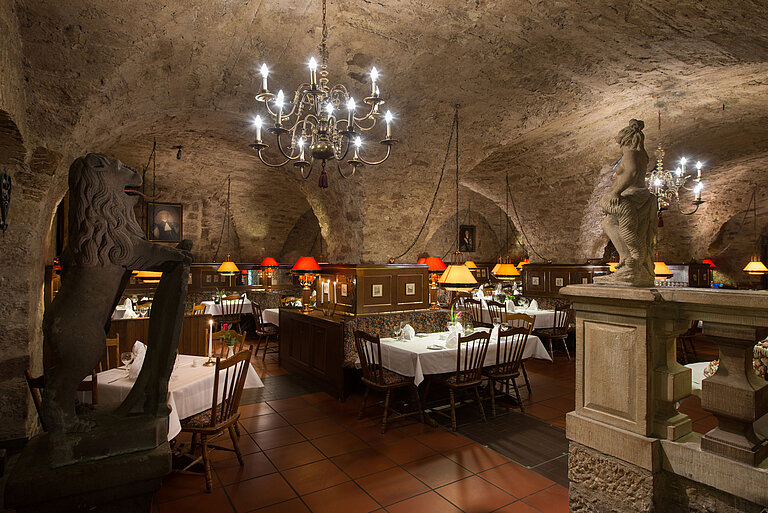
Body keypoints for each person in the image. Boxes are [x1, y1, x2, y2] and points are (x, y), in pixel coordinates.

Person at [594, 119, 657, 287]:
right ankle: (628, 262)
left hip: (631, 197)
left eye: (620, 143)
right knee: (609, 223)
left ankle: (632, 260)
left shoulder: (631, 153)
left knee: (614, 225)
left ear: (625, 141)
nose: (620, 147)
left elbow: (631, 172)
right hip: (635, 195)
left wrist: (614, 192)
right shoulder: (641, 154)